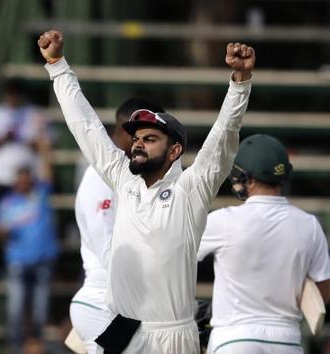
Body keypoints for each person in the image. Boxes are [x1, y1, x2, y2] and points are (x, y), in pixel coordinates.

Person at [37, 30, 255, 353]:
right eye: (136, 138)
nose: (138, 142)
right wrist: (57, 65)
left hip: (174, 337)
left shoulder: (191, 188)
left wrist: (239, 82)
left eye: (150, 138)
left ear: (174, 150)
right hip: (124, 330)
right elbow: (85, 128)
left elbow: (223, 138)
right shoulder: (123, 180)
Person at [198, 134, 330, 354]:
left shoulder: (222, 220)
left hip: (234, 339)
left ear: (249, 179)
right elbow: (324, 292)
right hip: (287, 342)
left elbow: (176, 260)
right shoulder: (310, 225)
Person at [69, 98, 164, 354]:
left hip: (127, 305)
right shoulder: (100, 178)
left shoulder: (133, 176)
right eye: (149, 135)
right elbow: (110, 252)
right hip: (105, 303)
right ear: (128, 132)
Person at [0, 134, 58, 354]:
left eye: (26, 176)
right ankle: (16, 348)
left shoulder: (41, 193)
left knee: (40, 309)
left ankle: (35, 347)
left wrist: (43, 147)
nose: (22, 180)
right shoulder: (6, 202)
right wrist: (1, 233)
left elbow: (47, 171)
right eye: (18, 177)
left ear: (31, 177)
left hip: (43, 258)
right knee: (16, 310)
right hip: (17, 260)